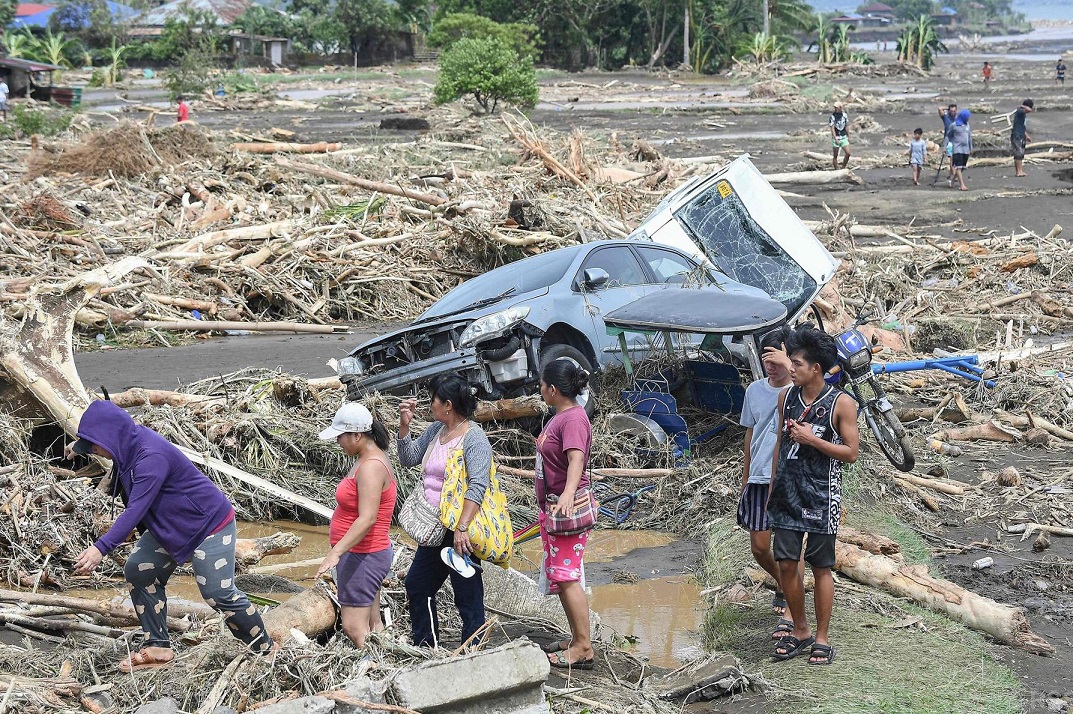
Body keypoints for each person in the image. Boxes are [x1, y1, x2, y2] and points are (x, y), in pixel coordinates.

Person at [69, 400, 273, 671]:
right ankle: (158, 647)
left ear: (111, 438)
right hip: (171, 525)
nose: (95, 452)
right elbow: (110, 454)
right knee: (140, 570)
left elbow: (134, 511)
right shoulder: (126, 444)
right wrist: (79, 446)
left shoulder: (150, 457)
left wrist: (100, 548)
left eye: (94, 446)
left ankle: (265, 650)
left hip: (209, 524)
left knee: (217, 593)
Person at [767, 326, 859, 666]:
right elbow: (780, 442)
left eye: (797, 363)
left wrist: (813, 440)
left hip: (822, 497)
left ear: (815, 369)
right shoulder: (785, 398)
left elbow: (850, 453)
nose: (790, 368)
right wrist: (772, 488)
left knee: (821, 567)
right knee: (788, 564)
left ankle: (822, 637)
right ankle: (801, 630)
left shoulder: (842, 403)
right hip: (787, 495)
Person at [398, 374, 491, 649]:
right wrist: (405, 428)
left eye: (433, 401)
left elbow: (478, 484)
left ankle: (472, 650)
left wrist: (462, 528)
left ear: (448, 404)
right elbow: (408, 459)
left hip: (460, 527)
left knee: (467, 594)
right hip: (435, 526)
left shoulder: (474, 438)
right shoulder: (437, 431)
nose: (430, 405)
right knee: (418, 585)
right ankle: (427, 647)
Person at [316, 403, 397, 648]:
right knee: (373, 626)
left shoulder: (371, 466)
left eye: (340, 436)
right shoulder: (366, 459)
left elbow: (367, 518)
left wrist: (335, 553)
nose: (338, 441)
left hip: (364, 555)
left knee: (353, 627)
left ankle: (376, 673)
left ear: (357, 435)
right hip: (364, 554)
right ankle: (384, 665)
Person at [533, 359, 596, 670]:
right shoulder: (561, 416)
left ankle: (583, 647)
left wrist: (568, 494)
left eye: (542, 385)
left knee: (568, 578)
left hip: (567, 509)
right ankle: (576, 638)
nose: (540, 389)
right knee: (561, 576)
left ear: (553, 390)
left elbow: (576, 459)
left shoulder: (572, 420)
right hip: (555, 508)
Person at [737, 327, 796, 635]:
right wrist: (746, 477)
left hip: (789, 479)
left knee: (790, 547)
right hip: (759, 478)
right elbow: (750, 435)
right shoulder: (754, 391)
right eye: (765, 360)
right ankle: (784, 581)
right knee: (760, 547)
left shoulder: (800, 391)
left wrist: (790, 367)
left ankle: (790, 604)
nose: (770, 366)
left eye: (777, 359)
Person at [945, 109, 972, 191]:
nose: (968, 118)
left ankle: (953, 178)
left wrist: (971, 148)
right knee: (958, 167)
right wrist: (944, 146)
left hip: (965, 149)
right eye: (967, 117)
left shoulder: (967, 125)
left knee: (963, 167)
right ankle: (962, 185)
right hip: (957, 148)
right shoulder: (954, 125)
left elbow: (969, 137)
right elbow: (948, 136)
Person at [1011, 98, 1034, 178]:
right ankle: (1018, 172)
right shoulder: (1020, 111)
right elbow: (1029, 110)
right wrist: (1023, 106)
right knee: (1018, 153)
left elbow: (1022, 126)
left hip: (1021, 134)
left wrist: (1026, 135)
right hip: (1017, 135)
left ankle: (1020, 170)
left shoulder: (1022, 114)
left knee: (1021, 154)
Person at [938, 102, 958, 179]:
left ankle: (952, 174)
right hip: (949, 140)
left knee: (955, 159)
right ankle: (953, 175)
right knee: (951, 159)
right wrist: (948, 108)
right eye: (952, 111)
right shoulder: (946, 117)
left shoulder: (958, 118)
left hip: (957, 140)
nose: (953, 113)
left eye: (954, 111)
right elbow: (940, 108)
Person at [828, 101, 850, 170]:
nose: (835, 109)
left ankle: (843, 167)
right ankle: (836, 169)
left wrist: (848, 136)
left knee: (848, 153)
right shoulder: (832, 117)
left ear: (840, 108)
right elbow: (832, 128)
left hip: (843, 137)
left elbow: (846, 126)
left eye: (836, 108)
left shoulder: (844, 115)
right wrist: (835, 138)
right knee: (835, 155)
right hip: (836, 137)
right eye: (835, 108)